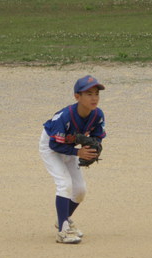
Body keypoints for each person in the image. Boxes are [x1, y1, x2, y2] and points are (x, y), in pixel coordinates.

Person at [39, 75, 106, 244]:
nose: (94, 98)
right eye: (89, 93)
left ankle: (63, 219)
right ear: (77, 96)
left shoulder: (97, 115)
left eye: (96, 94)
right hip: (51, 147)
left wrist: (93, 148)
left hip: (71, 149)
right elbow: (55, 145)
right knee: (64, 184)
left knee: (80, 190)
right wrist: (78, 153)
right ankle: (62, 231)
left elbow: (98, 135)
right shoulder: (65, 117)